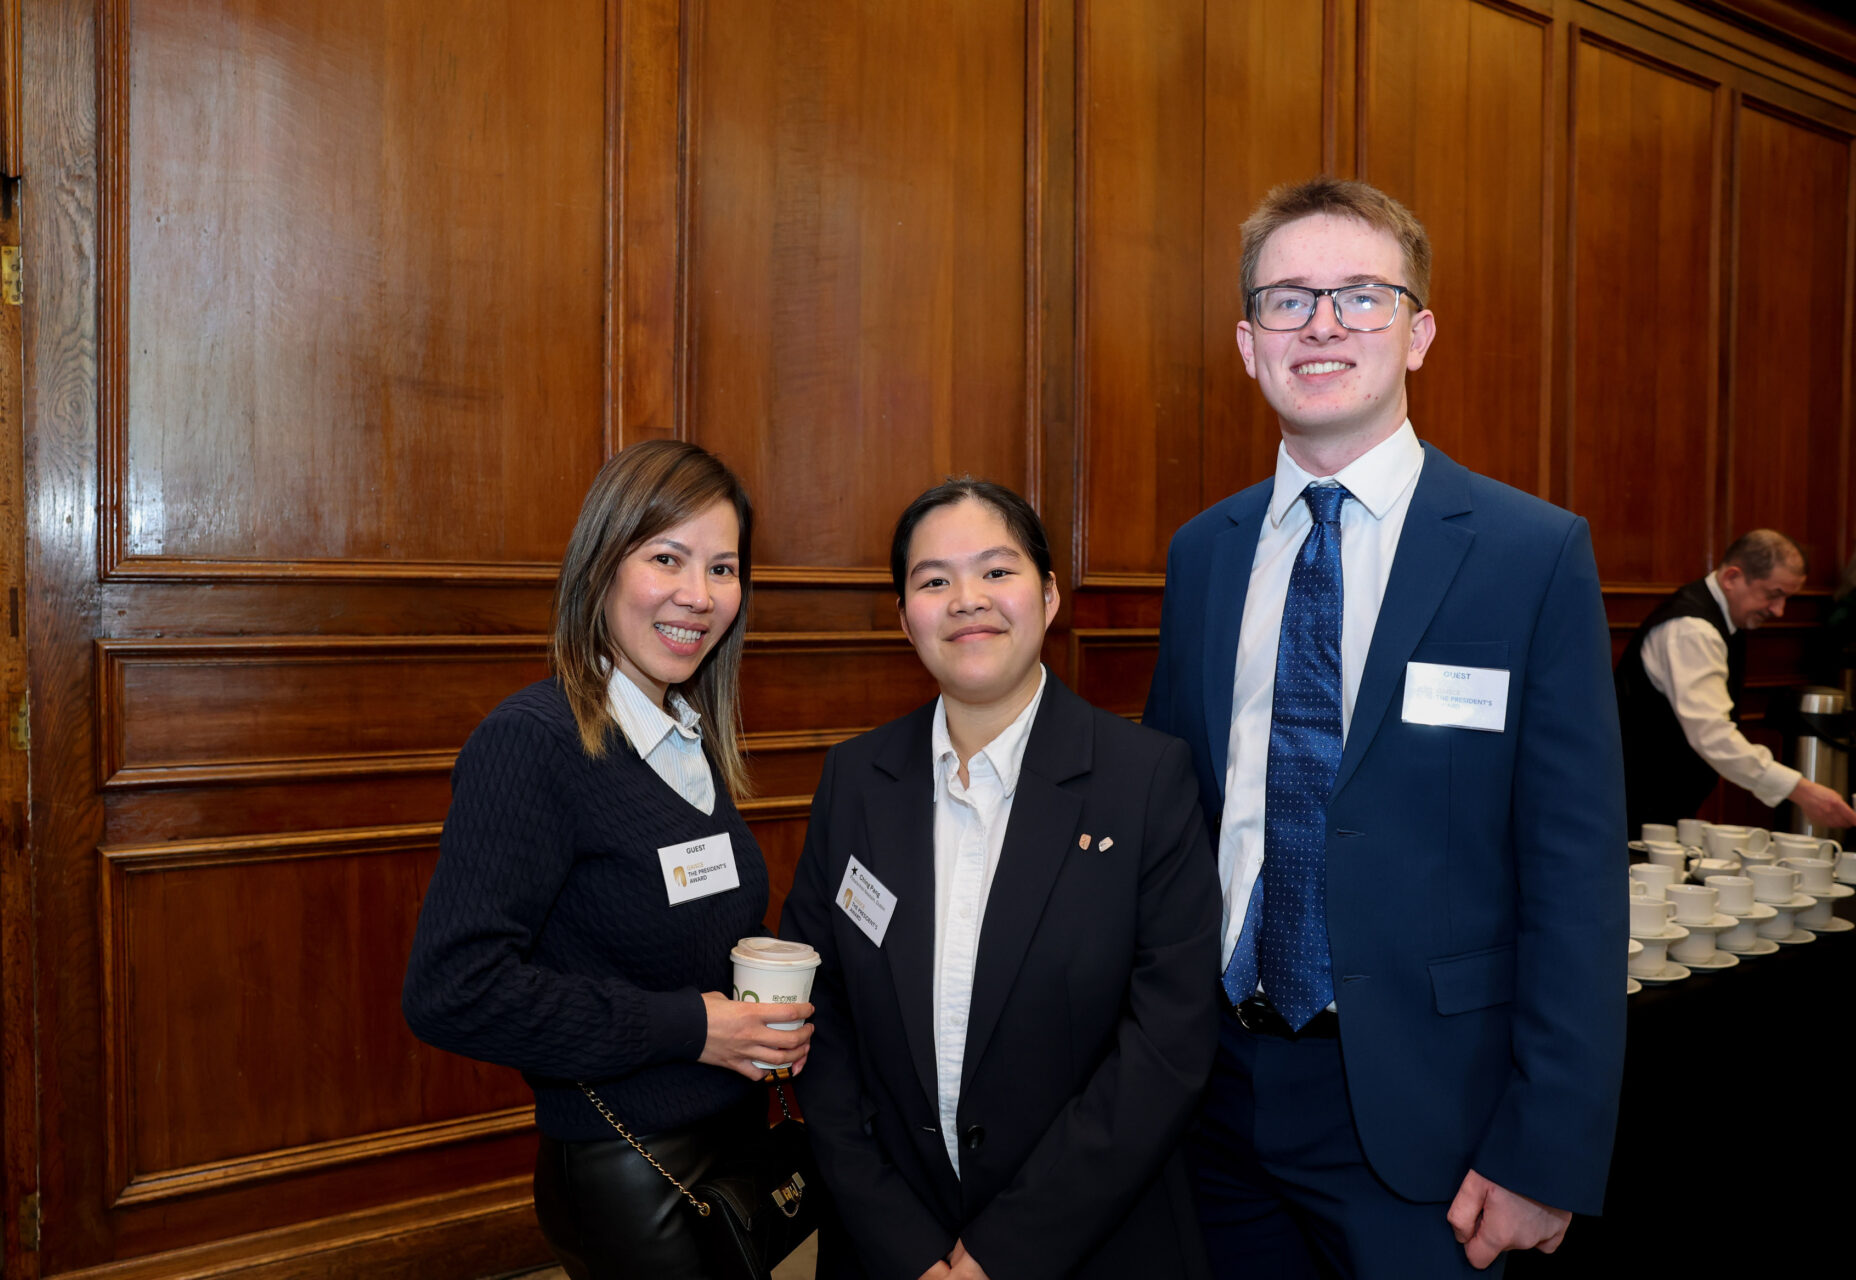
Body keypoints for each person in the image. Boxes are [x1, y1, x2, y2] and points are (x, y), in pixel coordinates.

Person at [1144, 178, 1627, 1277]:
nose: (1322, 324)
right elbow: (1175, 826)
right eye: (1288, 299)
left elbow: (1577, 875)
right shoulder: (1204, 554)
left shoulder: (1529, 554)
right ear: (1248, 344)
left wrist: (1546, 1147)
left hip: (1435, 1123)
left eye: (1361, 295)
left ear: (1419, 333)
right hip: (1214, 1102)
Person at [780, 480, 1222, 1280]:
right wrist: (904, 1245)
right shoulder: (855, 780)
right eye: (934, 580)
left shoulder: (1145, 780)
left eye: (996, 571)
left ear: (1048, 595)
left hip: (1092, 1244)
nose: (967, 600)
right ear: (904, 615)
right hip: (888, 1249)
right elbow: (823, 1019)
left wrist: (1002, 1255)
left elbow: (1167, 1044)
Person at [402, 440, 813, 1280]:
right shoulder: (532, 743)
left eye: (723, 568)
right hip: (634, 1173)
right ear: (601, 565)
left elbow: (666, 925)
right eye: (667, 558)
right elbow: (452, 991)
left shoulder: (686, 738)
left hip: (731, 1148)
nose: (698, 595)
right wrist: (695, 1027)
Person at [1615, 529, 1856, 833]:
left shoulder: (1723, 619)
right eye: (1773, 594)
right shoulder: (1693, 630)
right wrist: (1802, 790)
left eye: (1787, 598)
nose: (1779, 610)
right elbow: (1712, 735)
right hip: (1632, 803)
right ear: (1732, 577)